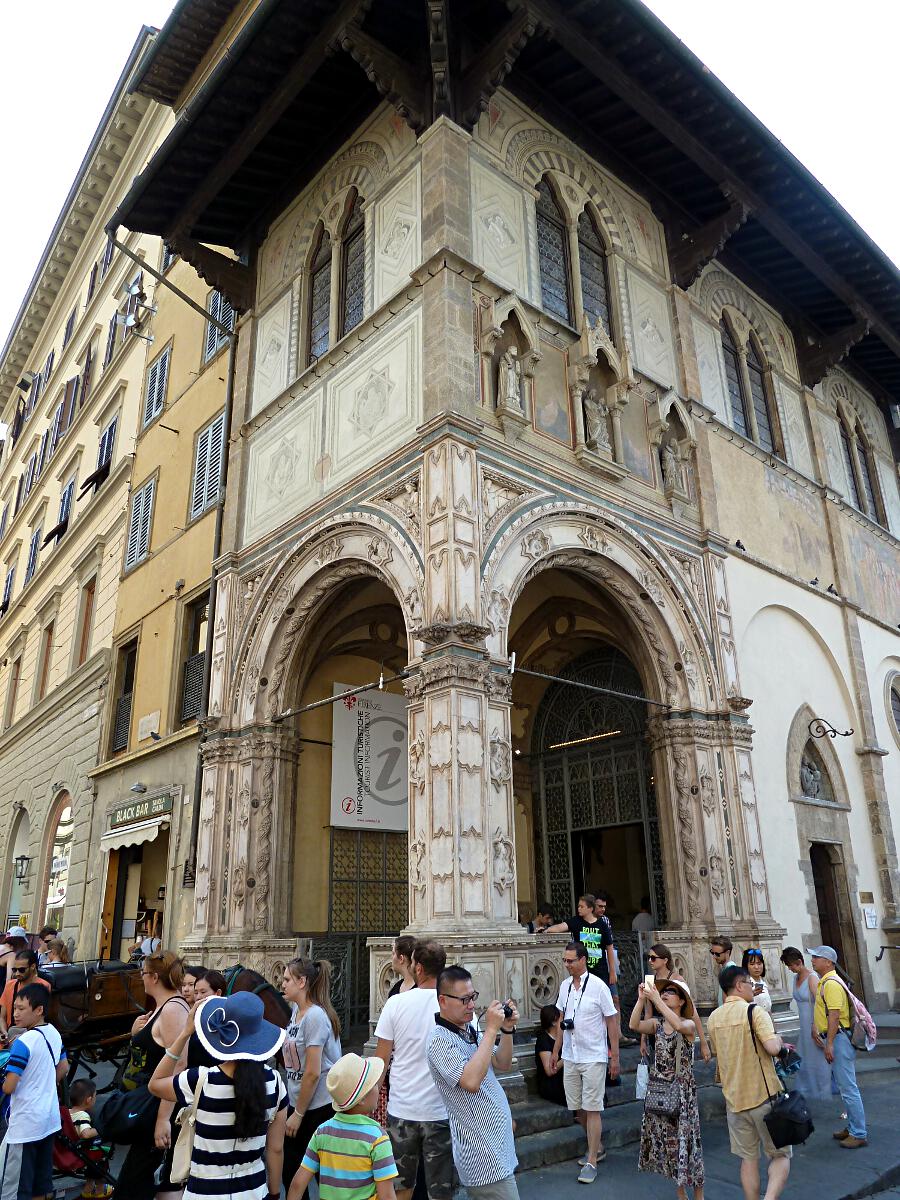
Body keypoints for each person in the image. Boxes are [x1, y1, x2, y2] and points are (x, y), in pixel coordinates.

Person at [149, 992, 287, 1200]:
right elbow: (275, 1149)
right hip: (254, 1191)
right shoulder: (275, 1083)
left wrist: (185, 1033)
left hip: (204, 1193)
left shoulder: (201, 1080)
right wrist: (275, 1194)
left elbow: (155, 1084)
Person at [427, 965, 520, 1200]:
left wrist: (506, 1031)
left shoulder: (469, 1029)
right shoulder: (439, 1041)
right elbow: (470, 1081)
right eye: (464, 999)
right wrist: (490, 1029)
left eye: (473, 997)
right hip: (483, 1156)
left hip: (497, 1148)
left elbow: (503, 1063)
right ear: (443, 1000)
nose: (471, 1005)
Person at [374, 939, 450, 1200]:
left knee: (400, 1188)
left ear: (417, 967)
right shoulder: (456, 1006)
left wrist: (374, 1101)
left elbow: (381, 1060)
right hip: (441, 1110)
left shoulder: (396, 1004)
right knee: (440, 1190)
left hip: (402, 1108)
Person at [707, 966, 790, 1200]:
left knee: (748, 1158)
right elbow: (773, 1048)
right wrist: (780, 1042)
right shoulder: (755, 1012)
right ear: (740, 985)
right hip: (763, 1096)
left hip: (734, 1099)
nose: (753, 988)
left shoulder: (713, 1018)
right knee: (780, 1155)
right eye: (750, 984)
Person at [112, 949, 190, 1200]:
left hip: (157, 1109)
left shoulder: (172, 1010)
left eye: (143, 973)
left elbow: (178, 1067)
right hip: (146, 1105)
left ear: (155, 977)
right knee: (139, 1185)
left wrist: (162, 1119)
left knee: (134, 1186)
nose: (141, 978)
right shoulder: (163, 1008)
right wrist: (136, 1034)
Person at [551, 941, 619, 1185]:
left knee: (592, 1108)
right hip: (571, 1054)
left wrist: (615, 1056)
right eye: (564, 961)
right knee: (577, 1107)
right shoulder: (565, 986)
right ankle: (596, 1145)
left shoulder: (598, 986)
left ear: (583, 960)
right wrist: (555, 1051)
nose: (567, 965)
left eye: (570, 960)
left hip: (593, 1055)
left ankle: (591, 1159)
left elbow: (611, 1021)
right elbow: (561, 1020)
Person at [630, 980, 705, 1200]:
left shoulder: (688, 1024)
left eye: (671, 992)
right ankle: (681, 1194)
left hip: (682, 1092)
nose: (664, 995)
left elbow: (680, 1027)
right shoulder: (657, 1024)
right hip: (660, 1089)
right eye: (663, 992)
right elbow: (634, 1025)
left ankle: (698, 1195)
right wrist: (642, 999)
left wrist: (655, 1000)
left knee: (688, 1142)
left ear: (682, 1000)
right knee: (668, 1143)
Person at [288, 1053, 398, 1200]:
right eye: (372, 1085)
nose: (378, 1087)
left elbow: (297, 1184)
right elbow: (387, 1196)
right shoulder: (378, 1138)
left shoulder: (322, 1132)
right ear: (362, 1099)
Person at [0, 982, 68, 1200]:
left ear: (39, 1010)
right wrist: (43, 1083)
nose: (16, 1014)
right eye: (15, 1008)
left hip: (25, 1126)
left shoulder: (24, 1042)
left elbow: (9, 1086)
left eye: (22, 1009)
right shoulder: (54, 1034)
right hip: (48, 1120)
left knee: (17, 1189)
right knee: (40, 1186)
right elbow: (63, 1068)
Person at [281, 958, 342, 1192]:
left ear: (302, 981)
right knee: (293, 1172)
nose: (282, 983)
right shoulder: (297, 1010)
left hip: (317, 1107)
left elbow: (313, 1073)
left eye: (287, 979)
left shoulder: (315, 1016)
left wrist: (297, 1113)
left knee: (318, 1175)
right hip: (299, 1103)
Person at [807, 945, 868, 1148]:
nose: (813, 959)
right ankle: (852, 1128)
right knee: (845, 1087)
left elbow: (834, 1015)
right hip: (837, 1038)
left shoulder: (831, 984)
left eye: (817, 957)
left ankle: (859, 1133)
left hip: (839, 1039)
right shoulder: (828, 982)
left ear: (829, 962)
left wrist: (830, 1044)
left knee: (849, 1088)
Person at [779, 947, 831, 1100]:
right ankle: (808, 1090)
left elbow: (820, 1004)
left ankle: (823, 1089)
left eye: (791, 965)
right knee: (805, 1058)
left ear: (799, 962)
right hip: (803, 1023)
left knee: (818, 1059)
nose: (790, 969)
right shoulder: (796, 978)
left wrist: (816, 1025)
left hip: (814, 1022)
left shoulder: (812, 978)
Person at [545, 895, 614, 986]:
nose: (579, 909)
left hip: (600, 971)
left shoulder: (602, 925)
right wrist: (546, 930)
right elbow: (559, 927)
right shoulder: (576, 921)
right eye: (578, 906)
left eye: (582, 906)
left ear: (590, 908)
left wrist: (612, 972)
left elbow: (609, 948)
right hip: (581, 970)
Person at [68, 1078, 114, 1200]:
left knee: (92, 1152)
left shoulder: (67, 1113)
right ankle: (100, 1189)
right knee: (100, 1155)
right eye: (94, 1097)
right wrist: (101, 1129)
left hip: (70, 1149)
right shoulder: (82, 1115)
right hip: (80, 1152)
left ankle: (88, 1188)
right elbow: (85, 1134)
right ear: (89, 1100)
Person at [0, 950, 52, 1035]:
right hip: (10, 1034)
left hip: (32, 1034)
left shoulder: (44, 986)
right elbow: (2, 1017)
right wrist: (5, 1033)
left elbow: (43, 1018)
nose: (17, 973)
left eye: (21, 970)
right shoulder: (10, 985)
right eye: (14, 969)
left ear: (32, 967)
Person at [534, 1005, 566, 1106]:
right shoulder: (543, 1040)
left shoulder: (564, 1036)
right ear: (553, 1022)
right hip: (551, 1083)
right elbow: (549, 1071)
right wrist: (567, 1058)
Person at [710, 936, 737, 1005]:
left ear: (727, 952)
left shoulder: (729, 970)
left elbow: (728, 1000)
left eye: (717, 954)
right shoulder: (726, 969)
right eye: (712, 953)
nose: (714, 957)